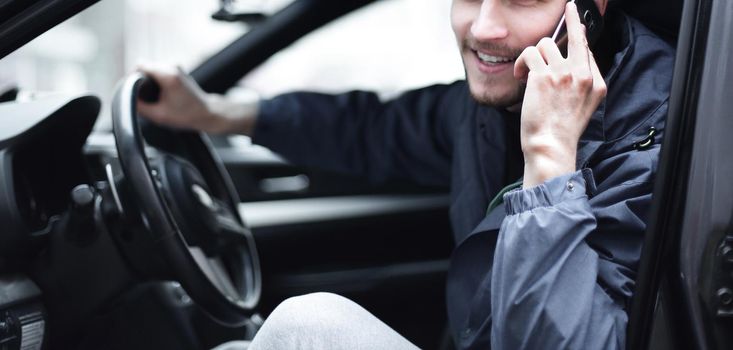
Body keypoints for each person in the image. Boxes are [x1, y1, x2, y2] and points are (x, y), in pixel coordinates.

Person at [138, 0, 674, 349]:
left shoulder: (659, 134)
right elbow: (375, 129)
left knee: (305, 328)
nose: (483, 26)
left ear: (591, 11)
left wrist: (550, 158)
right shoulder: (501, 98)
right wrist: (210, 114)